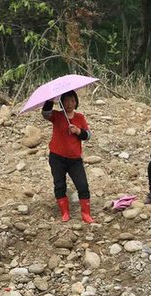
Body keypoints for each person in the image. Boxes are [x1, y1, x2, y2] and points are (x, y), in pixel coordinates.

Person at [41, 90, 93, 223]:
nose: (69, 103)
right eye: (66, 100)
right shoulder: (57, 116)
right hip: (57, 157)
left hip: (75, 159)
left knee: (82, 185)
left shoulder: (80, 117)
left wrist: (78, 131)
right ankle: (65, 213)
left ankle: (86, 214)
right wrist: (50, 100)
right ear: (62, 103)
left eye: (72, 100)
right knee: (59, 185)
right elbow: (45, 113)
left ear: (76, 102)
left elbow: (88, 135)